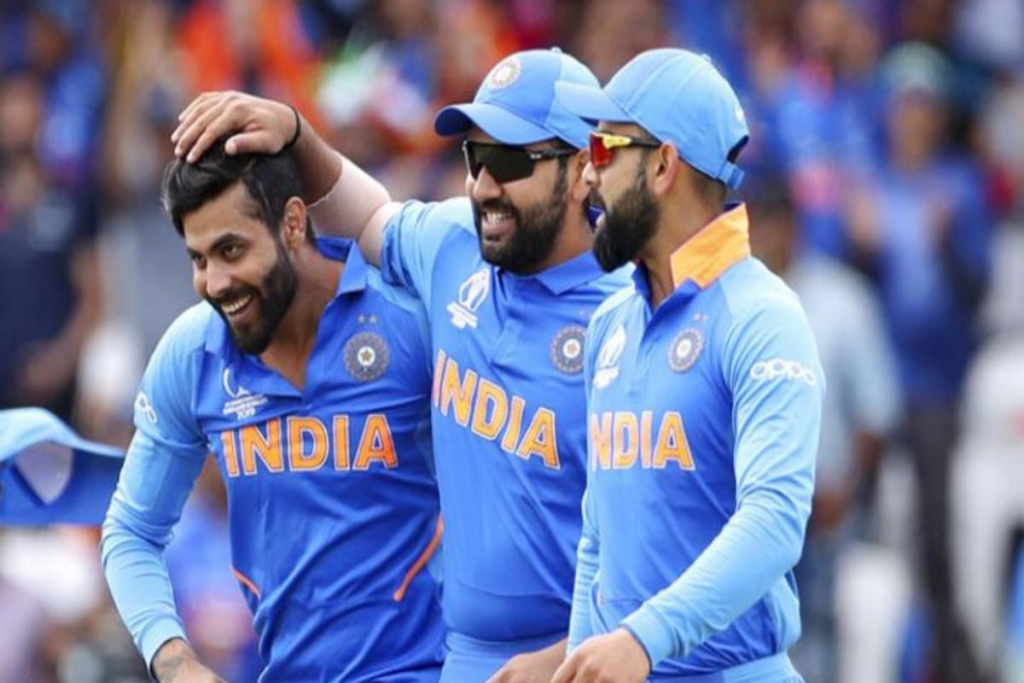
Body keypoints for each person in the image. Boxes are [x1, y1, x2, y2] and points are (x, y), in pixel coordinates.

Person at [172, 48, 631, 682]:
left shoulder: (628, 315)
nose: (482, 186)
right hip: (465, 658)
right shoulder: (455, 247)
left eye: (508, 162)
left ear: (584, 169)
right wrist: (296, 133)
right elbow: (367, 215)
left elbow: (666, 546)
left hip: (584, 660)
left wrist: (564, 656)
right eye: (474, 158)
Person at [100, 140, 445, 682]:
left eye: (231, 250)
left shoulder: (408, 318)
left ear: (292, 223)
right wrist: (174, 661)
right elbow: (131, 531)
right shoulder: (194, 354)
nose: (215, 283)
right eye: (199, 260)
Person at [548, 49, 824, 682]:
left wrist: (644, 639)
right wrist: (580, 658)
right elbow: (599, 535)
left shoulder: (762, 317)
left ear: (663, 164)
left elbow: (774, 522)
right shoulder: (611, 325)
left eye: (603, 149)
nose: (587, 175)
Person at [748, 174, 902, 682]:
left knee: (824, 633)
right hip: (749, 509)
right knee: (763, 638)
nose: (764, 234)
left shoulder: (842, 299)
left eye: (773, 221)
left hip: (828, 507)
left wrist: (847, 492)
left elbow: (876, 412)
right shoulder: (730, 298)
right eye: (756, 222)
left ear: (794, 225)